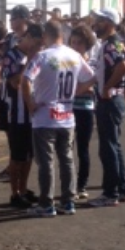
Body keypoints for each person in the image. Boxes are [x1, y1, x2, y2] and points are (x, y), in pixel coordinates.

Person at [21, 20, 94, 217]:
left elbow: (26, 80)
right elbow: (91, 77)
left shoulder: (42, 56)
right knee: (67, 159)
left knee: (46, 162)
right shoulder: (74, 55)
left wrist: (30, 104)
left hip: (45, 116)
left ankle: (46, 203)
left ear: (45, 36)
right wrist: (76, 93)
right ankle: (68, 201)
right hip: (67, 115)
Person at [89, 8, 125, 207]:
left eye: (98, 20)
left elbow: (123, 66)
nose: (95, 24)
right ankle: (123, 189)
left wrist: (108, 86)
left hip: (109, 101)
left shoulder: (109, 45)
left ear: (107, 23)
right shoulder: (114, 42)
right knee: (114, 146)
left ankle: (110, 193)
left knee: (108, 149)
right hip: (114, 99)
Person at [3, 22, 43, 207]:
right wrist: (29, 60)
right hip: (17, 113)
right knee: (17, 156)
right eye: (36, 43)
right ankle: (14, 193)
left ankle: (24, 189)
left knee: (29, 156)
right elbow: (15, 82)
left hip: (33, 113)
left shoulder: (39, 56)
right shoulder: (11, 55)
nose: (38, 47)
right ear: (28, 38)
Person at [69, 23, 97, 200]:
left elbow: (94, 87)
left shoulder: (92, 62)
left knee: (83, 149)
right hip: (69, 110)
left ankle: (82, 185)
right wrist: (82, 87)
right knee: (67, 150)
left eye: (78, 42)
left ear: (87, 44)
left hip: (85, 109)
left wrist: (80, 88)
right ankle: (70, 185)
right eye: (72, 42)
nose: (75, 46)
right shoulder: (68, 62)